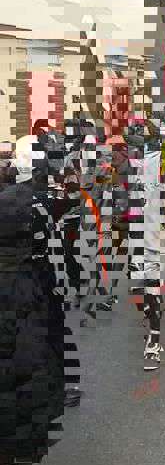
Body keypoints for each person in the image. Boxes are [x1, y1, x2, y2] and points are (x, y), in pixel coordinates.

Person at [0, 139, 67, 464]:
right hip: (29, 291)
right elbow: (52, 254)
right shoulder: (40, 205)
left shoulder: (7, 199)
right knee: (31, 368)